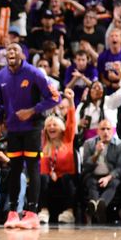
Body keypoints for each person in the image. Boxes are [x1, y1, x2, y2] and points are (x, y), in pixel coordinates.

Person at [0, 42, 61, 229]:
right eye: (8, 50)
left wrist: (32, 110)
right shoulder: (0, 77)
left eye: (15, 49)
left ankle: (32, 213)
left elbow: (55, 97)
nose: (11, 52)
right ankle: (13, 213)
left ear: (23, 54)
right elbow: (0, 102)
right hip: (13, 130)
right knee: (14, 170)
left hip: (32, 127)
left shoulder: (35, 73)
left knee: (32, 169)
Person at [39, 89, 77, 224]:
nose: (51, 127)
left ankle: (69, 212)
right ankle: (43, 211)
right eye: (48, 125)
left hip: (66, 179)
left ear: (61, 128)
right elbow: (44, 169)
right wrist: (50, 174)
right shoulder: (45, 145)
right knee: (42, 178)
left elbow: (71, 122)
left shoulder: (68, 139)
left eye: (54, 124)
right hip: (51, 181)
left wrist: (71, 101)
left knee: (67, 179)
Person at [81, 119, 121, 224]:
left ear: (112, 131)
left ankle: (99, 205)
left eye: (108, 129)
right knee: (91, 182)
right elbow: (86, 167)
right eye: (102, 129)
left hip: (111, 176)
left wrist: (108, 178)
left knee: (114, 183)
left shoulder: (120, 145)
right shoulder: (89, 143)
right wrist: (97, 153)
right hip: (93, 174)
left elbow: (120, 168)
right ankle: (98, 208)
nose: (105, 132)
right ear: (98, 131)